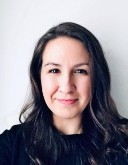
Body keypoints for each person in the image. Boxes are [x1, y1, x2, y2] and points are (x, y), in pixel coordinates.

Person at [0, 22, 128, 165]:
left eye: (80, 71)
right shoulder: (11, 146)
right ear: (38, 77)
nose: (66, 87)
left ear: (96, 78)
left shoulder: (124, 144)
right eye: (54, 70)